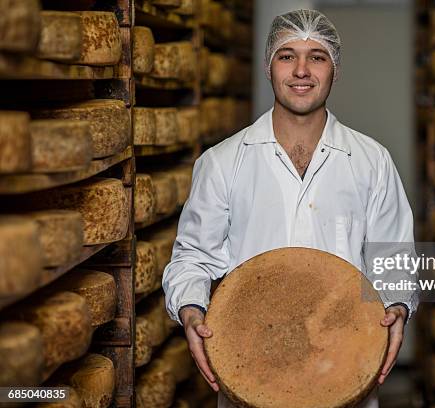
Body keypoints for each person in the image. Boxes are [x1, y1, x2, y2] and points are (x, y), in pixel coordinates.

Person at [162, 9, 418, 408]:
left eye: (316, 56)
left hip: (344, 367)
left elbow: (394, 257)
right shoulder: (223, 162)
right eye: (287, 56)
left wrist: (398, 305)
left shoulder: (372, 161)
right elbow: (192, 257)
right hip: (251, 368)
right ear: (269, 66)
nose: (302, 70)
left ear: (335, 69)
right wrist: (192, 308)